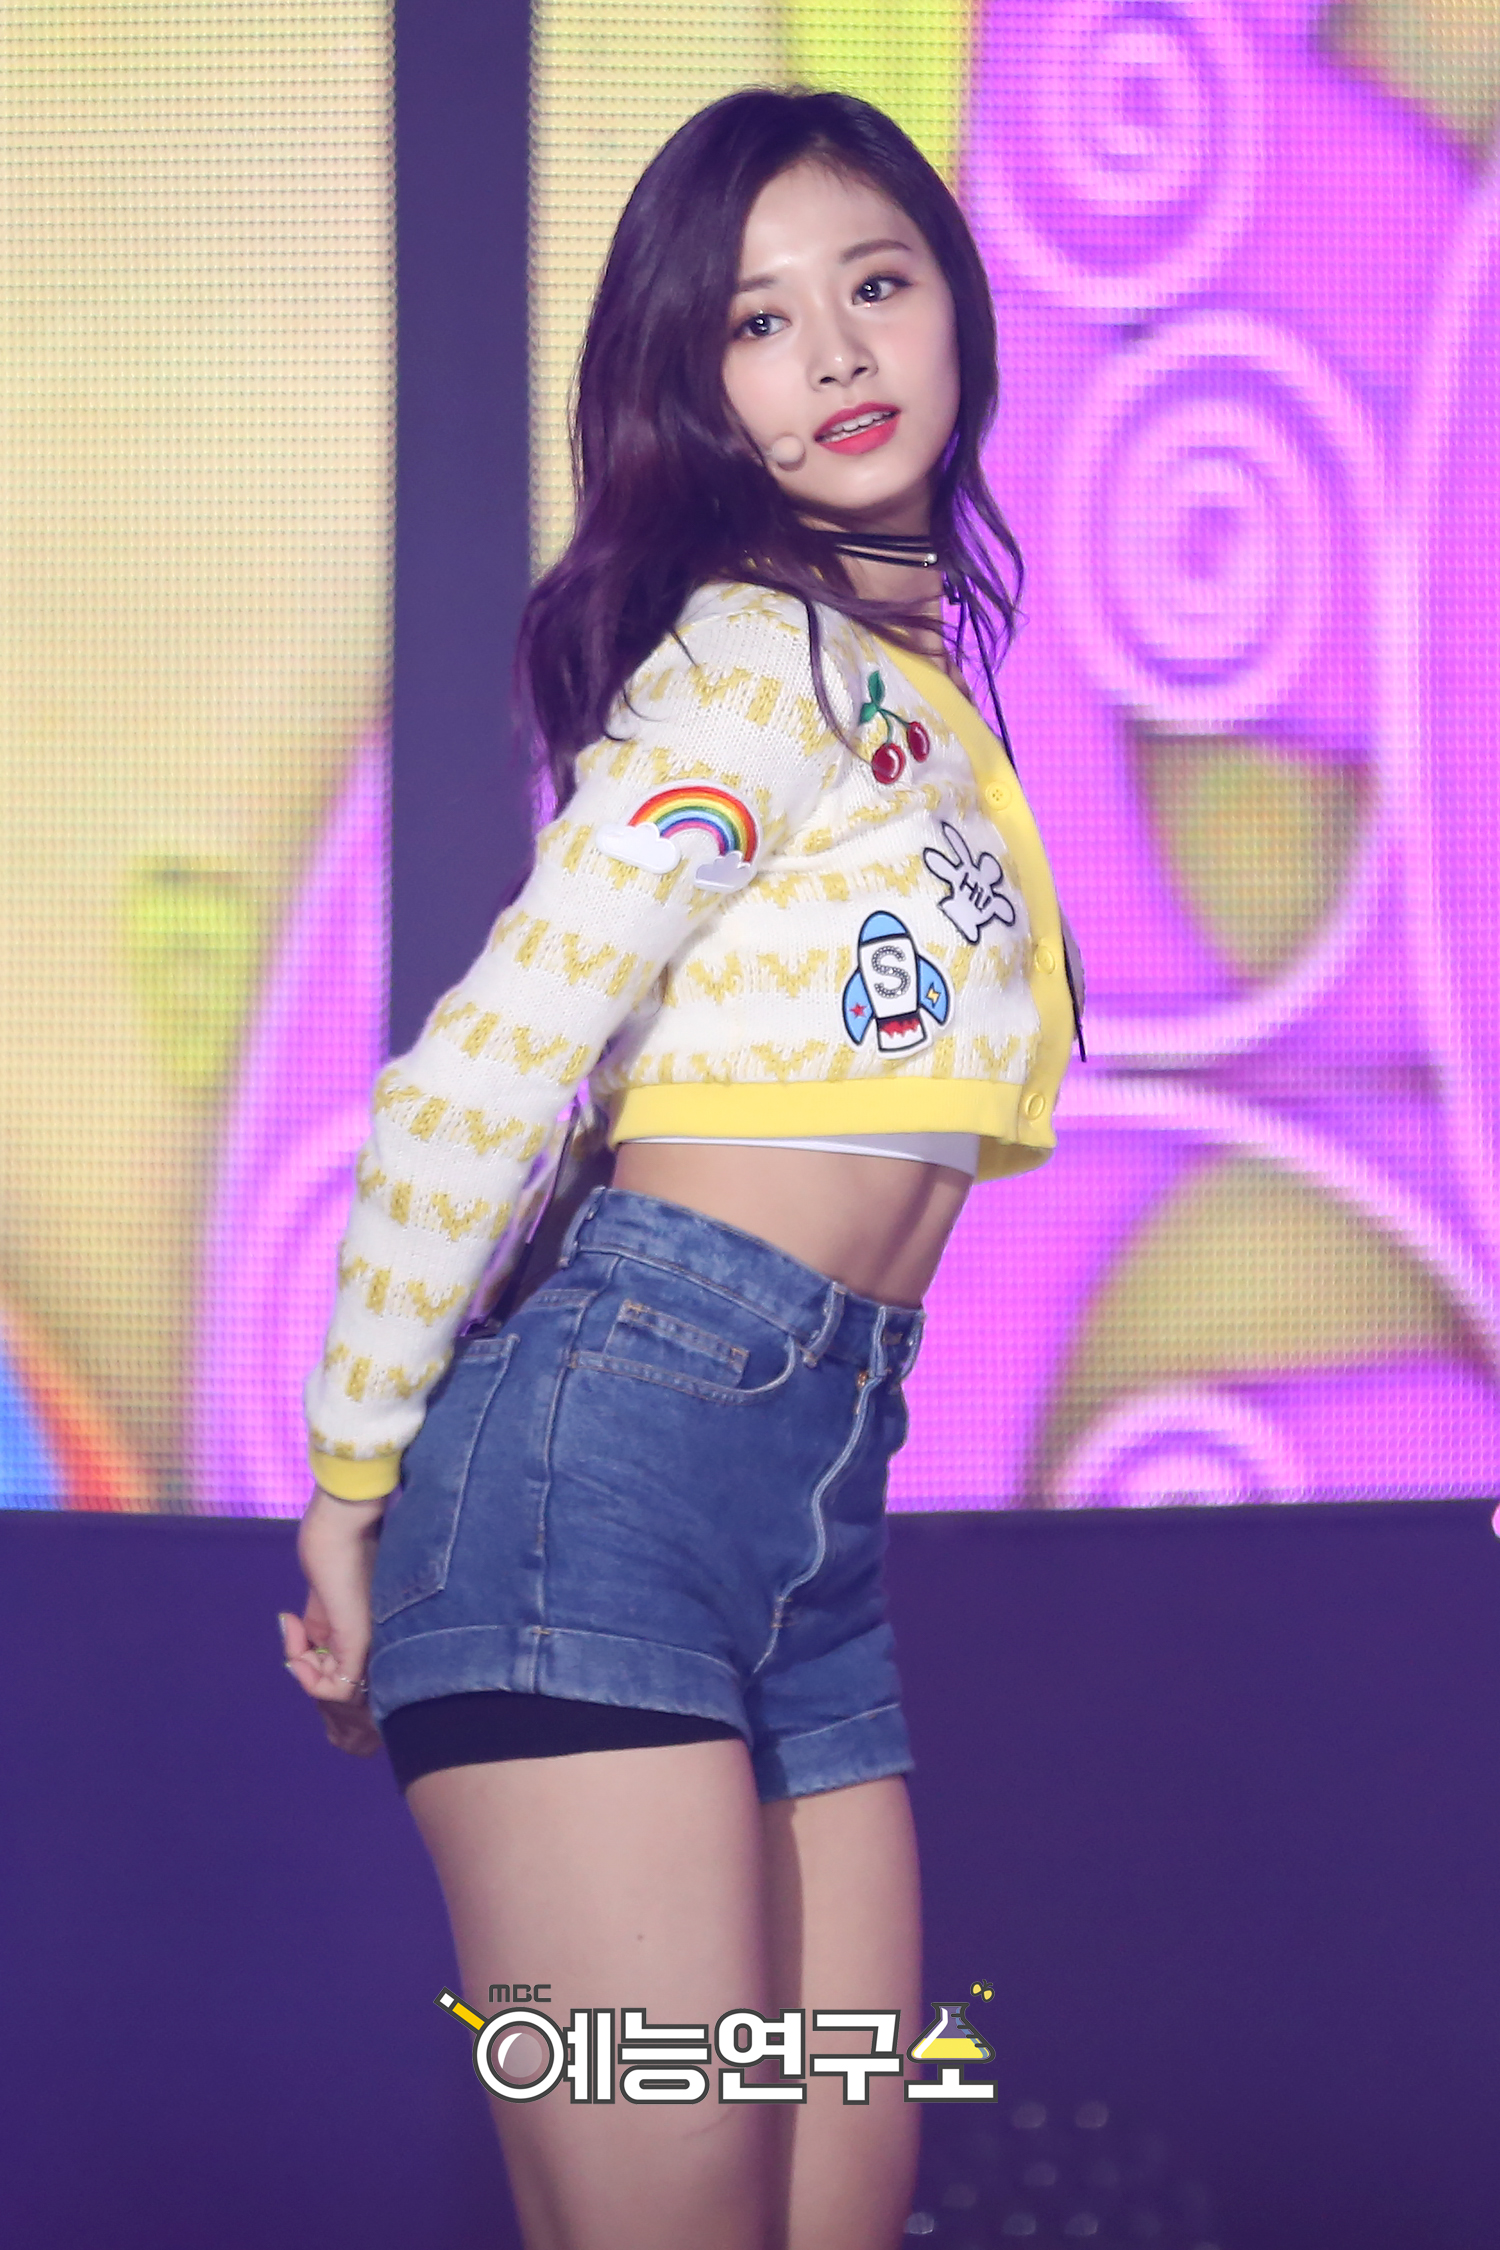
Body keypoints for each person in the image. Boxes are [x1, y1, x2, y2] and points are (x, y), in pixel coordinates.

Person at [280, 86, 1078, 2250]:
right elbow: (479, 1071)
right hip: (608, 1486)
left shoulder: (905, 687)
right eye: (759, 320)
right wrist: (348, 1484)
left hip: (811, 1516)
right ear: (695, 385)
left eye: (877, 285)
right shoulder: (749, 661)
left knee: (833, 2213)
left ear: (956, 304)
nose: (838, 354)